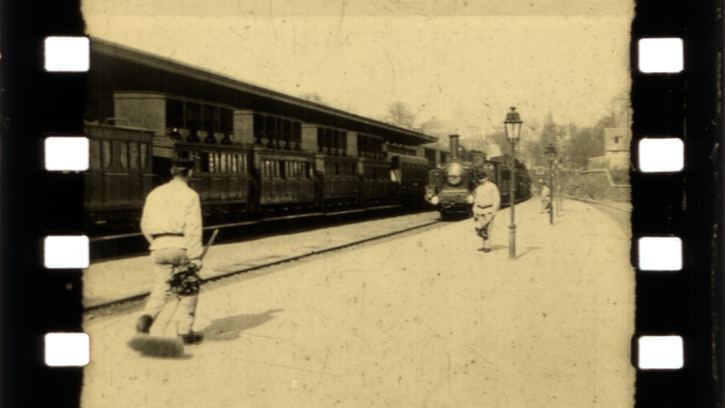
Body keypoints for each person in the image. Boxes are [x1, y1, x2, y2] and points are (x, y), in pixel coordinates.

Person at [136, 157, 205, 344]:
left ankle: (147, 317)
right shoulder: (191, 195)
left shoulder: (155, 193)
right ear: (190, 173)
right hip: (181, 246)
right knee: (189, 288)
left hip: (158, 247)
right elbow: (193, 228)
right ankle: (185, 332)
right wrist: (196, 256)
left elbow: (144, 224)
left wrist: (157, 242)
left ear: (172, 172)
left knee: (161, 289)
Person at [471, 171, 501, 252]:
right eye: (480, 179)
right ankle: (484, 245)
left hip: (489, 210)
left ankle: (488, 246)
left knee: (488, 228)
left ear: (486, 178)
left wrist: (494, 210)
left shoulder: (492, 186)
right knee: (482, 229)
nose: (481, 180)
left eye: (483, 178)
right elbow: (476, 200)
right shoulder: (478, 188)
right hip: (480, 210)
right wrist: (475, 211)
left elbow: (496, 199)